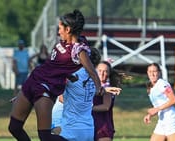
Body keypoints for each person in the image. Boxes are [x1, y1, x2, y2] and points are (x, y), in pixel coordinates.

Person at [8, 9, 105, 141]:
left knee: (45, 137)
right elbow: (60, 67)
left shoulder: (78, 50)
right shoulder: (64, 42)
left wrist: (99, 86)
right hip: (33, 81)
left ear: (68, 29)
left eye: (60, 28)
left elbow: (91, 71)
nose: (58, 31)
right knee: (14, 128)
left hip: (45, 89)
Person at [143, 63, 175, 141]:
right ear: (147, 73)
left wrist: (156, 109)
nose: (152, 74)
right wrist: (150, 115)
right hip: (162, 121)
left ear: (159, 72)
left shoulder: (162, 84)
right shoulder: (151, 87)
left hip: (172, 121)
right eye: (150, 71)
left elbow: (173, 99)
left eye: (154, 71)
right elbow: (159, 105)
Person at [92, 61, 123, 141]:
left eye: (105, 71)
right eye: (100, 70)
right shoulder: (93, 85)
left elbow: (106, 106)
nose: (102, 73)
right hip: (91, 124)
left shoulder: (107, 87)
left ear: (109, 74)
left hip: (103, 126)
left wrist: (87, 108)